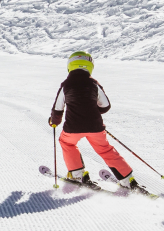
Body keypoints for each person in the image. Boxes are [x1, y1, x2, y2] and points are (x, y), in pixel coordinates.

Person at [47, 51, 143, 191]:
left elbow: (57, 109)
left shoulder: (66, 84)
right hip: (95, 127)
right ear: (90, 66)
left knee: (67, 142)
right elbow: (105, 106)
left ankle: (77, 175)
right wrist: (91, 110)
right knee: (105, 149)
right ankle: (127, 180)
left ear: (70, 65)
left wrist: (54, 121)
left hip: (73, 127)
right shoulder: (93, 83)